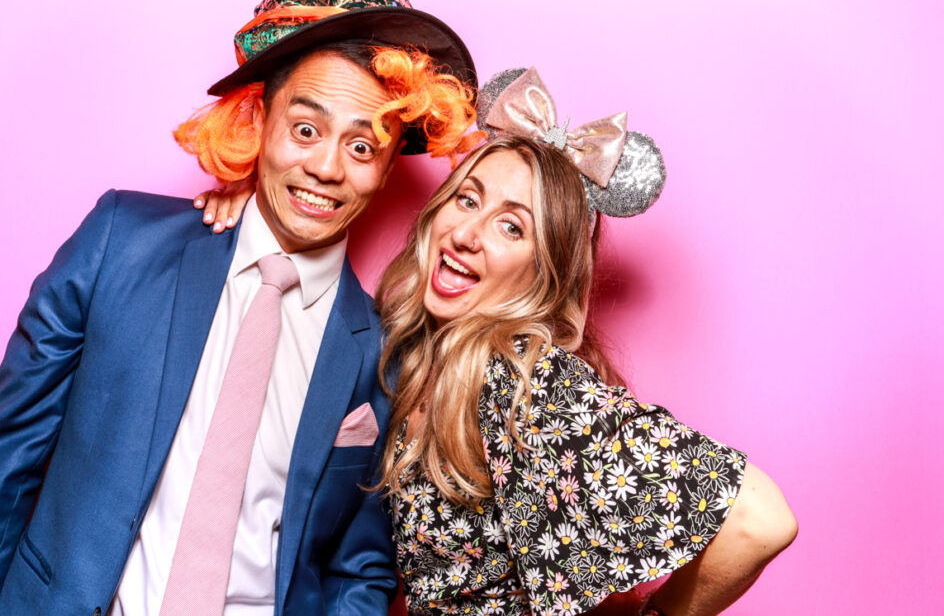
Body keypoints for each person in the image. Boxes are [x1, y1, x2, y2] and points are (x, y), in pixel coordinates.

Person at [0, 0, 481, 615]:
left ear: (386, 167)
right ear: (260, 120)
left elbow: (360, 572)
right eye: (306, 129)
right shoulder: (120, 244)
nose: (327, 167)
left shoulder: (382, 354)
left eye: (363, 146)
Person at [196, 67, 799, 615]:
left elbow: (759, 519)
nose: (469, 234)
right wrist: (257, 213)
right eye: (467, 200)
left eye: (512, 226)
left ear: (545, 272)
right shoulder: (416, 351)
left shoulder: (522, 376)